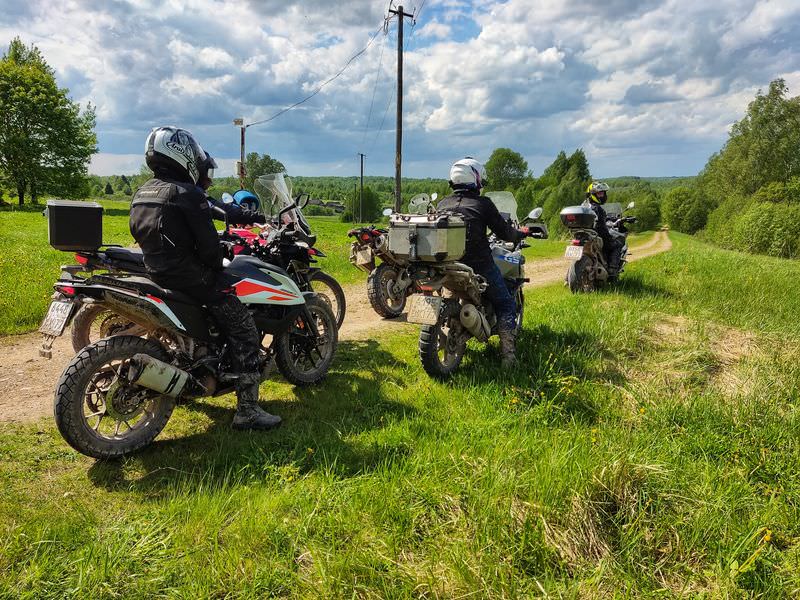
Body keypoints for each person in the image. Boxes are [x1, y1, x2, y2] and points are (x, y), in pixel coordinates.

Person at [129, 126, 281, 431]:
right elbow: (210, 253)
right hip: (192, 279)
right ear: (181, 154)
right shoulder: (188, 194)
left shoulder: (145, 191)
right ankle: (247, 410)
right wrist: (218, 255)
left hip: (157, 273)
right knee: (245, 331)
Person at [437, 157, 532, 367]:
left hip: (447, 265)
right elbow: (505, 232)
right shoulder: (483, 204)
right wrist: (519, 234)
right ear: (476, 178)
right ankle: (509, 357)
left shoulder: (443, 203)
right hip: (478, 264)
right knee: (506, 304)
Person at [584, 181, 621, 272]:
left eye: (603, 193)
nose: (603, 196)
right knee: (617, 245)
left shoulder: (584, 205)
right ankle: (612, 271)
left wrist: (608, 218)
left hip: (585, 235)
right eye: (600, 194)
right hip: (597, 236)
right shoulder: (597, 208)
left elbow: (600, 218)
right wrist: (609, 238)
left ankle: (567, 279)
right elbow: (601, 228)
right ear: (592, 194)